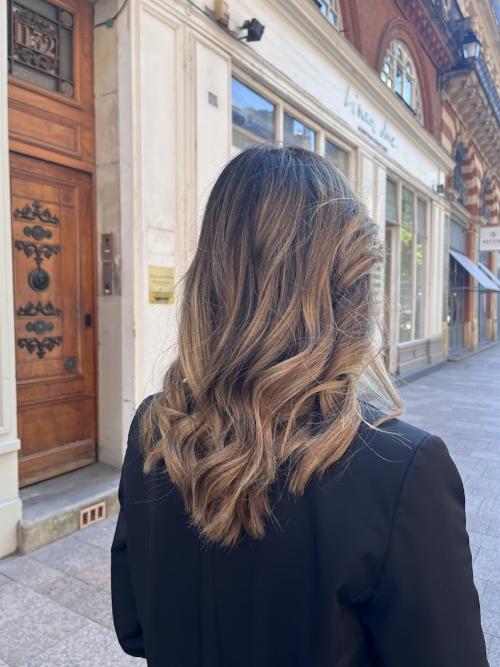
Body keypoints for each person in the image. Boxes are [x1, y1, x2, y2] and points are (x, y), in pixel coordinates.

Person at [111, 144, 488, 666]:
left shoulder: (155, 429)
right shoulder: (401, 469)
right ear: (352, 290)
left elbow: (134, 629)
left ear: (208, 281)